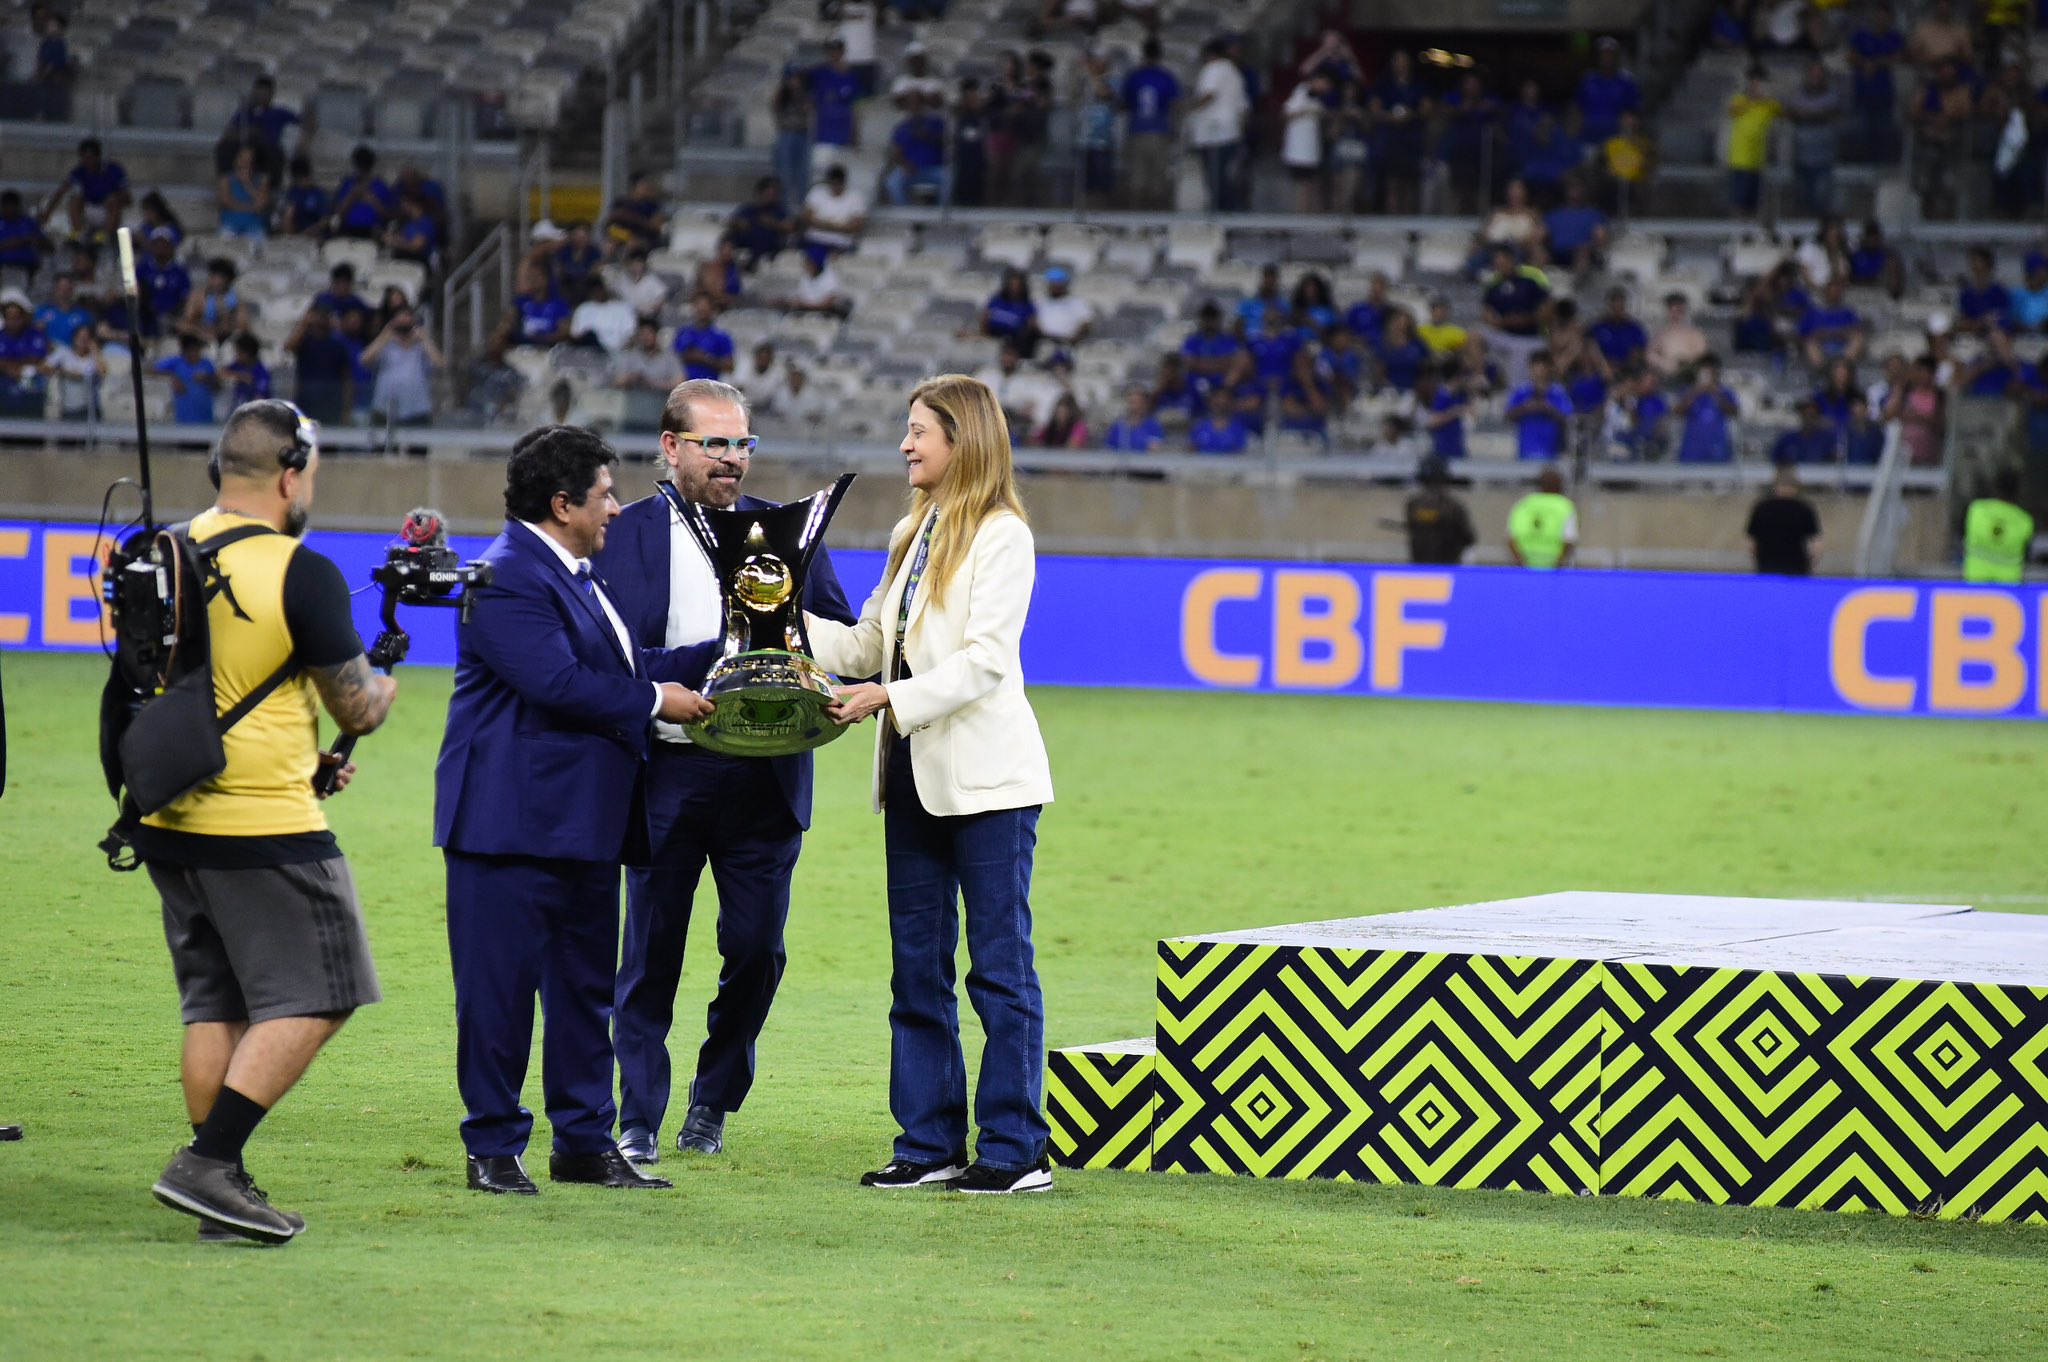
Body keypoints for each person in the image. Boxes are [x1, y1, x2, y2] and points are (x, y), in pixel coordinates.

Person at [435, 425, 716, 1197]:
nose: (617, 510)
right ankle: (492, 1146)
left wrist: (731, 651)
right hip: (509, 828)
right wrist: (662, 700)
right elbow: (558, 684)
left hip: (583, 823)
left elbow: (623, 667)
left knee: (583, 990)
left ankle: (583, 1143)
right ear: (563, 505)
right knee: (498, 993)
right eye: (605, 495)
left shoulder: (572, 572)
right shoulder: (506, 578)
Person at [141, 400, 396, 1244]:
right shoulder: (300, 570)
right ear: (291, 475)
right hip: (263, 826)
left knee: (217, 1004)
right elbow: (354, 697)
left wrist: (308, 756)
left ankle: (220, 1188)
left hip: (169, 813)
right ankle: (210, 1162)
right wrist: (382, 691)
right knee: (325, 991)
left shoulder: (163, 553)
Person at [802, 374, 1054, 1194]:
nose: (906, 445)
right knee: (917, 969)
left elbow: (985, 662)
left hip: (988, 785)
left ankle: (1016, 1153)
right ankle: (928, 1145)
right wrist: (771, 607)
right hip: (911, 773)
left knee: (998, 968)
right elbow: (870, 639)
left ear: (963, 439)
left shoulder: (1003, 535)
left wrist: (890, 697)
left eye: (919, 431)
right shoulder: (914, 530)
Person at [592, 380, 854, 1164]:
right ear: (671, 448)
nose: (732, 459)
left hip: (764, 777)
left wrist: (812, 670)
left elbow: (839, 631)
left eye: (743, 444)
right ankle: (637, 1114)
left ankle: (712, 1102)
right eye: (716, 444)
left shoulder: (784, 531)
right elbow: (605, 656)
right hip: (665, 773)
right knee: (650, 956)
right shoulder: (625, 532)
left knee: (757, 950)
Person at [1189, 38, 1249, 213]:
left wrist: (1190, 109)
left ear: (1210, 55)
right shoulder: (1235, 73)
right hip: (1230, 132)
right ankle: (1231, 213)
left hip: (1213, 132)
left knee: (1215, 179)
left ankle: (1227, 214)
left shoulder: (1213, 69)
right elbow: (1243, 107)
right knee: (1223, 176)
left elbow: (1209, 94)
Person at [1122, 37, 1181, 210]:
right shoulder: (1166, 77)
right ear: (1160, 56)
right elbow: (1175, 105)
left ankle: (1136, 218)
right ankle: (1157, 218)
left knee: (1137, 177)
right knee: (1159, 178)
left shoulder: (1134, 76)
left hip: (1137, 130)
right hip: (1159, 131)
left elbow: (1125, 104)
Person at [361, 308, 441, 429]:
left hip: (417, 407)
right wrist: (383, 337)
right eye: (400, 323)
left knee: (417, 445)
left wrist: (425, 339)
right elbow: (364, 360)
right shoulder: (385, 345)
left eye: (407, 322)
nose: (403, 327)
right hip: (385, 406)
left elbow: (440, 364)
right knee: (381, 445)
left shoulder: (421, 347)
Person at [1746, 463, 1823, 574]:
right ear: (1796, 486)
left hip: (1767, 566)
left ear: (1775, 486)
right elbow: (1816, 544)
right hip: (1797, 568)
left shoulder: (1761, 507)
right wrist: (1812, 562)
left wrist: (1757, 560)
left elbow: (1751, 543)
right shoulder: (1804, 509)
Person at [1724, 68, 1780, 219]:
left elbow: (1783, 111)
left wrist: (1765, 97)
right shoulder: (1740, 99)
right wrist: (1753, 98)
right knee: (1739, 201)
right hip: (1740, 159)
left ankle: (1751, 233)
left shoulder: (1768, 104)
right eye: (1753, 82)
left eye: (1759, 82)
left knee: (1753, 203)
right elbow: (1732, 109)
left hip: (1758, 160)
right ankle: (1736, 231)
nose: (1757, 85)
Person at [1963, 468, 2035, 583]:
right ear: (2018, 491)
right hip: (2008, 588)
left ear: (1995, 487)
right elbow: (2029, 555)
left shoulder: (1976, 510)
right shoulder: (2025, 521)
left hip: (1975, 584)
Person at [1403, 456, 1476, 565]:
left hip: (1425, 568)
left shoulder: (1413, 504)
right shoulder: (1454, 506)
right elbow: (1469, 538)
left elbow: (1469, 538)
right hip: (1443, 569)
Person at [1506, 351, 1572, 462]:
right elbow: (1508, 416)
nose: (1539, 371)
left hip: (1552, 454)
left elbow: (1568, 419)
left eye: (1542, 367)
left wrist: (1548, 408)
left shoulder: (1558, 392)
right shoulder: (1521, 391)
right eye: (1535, 367)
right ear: (1530, 368)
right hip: (1525, 453)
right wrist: (1526, 408)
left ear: (1549, 368)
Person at [1507, 465, 1578, 568]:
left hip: (1526, 565)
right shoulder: (1565, 506)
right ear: (1560, 485)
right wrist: (1559, 563)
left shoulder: (1523, 504)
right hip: (1553, 567)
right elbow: (1569, 539)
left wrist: (1521, 563)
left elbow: (1511, 538)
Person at [1676, 355, 1741, 462]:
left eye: (1710, 372)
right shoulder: (1688, 391)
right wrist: (1695, 392)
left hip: (1717, 446)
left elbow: (1735, 412)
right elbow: (1678, 411)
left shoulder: (1725, 392)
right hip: (1692, 448)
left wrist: (1715, 392)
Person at [155, 333, 222, 425]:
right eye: (191, 350)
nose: (195, 353)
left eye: (197, 349)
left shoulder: (207, 364)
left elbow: (218, 387)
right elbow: (149, 370)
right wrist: (172, 377)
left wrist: (206, 378)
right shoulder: (176, 362)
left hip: (205, 418)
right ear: (184, 351)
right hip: (183, 419)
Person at [330, 145, 394, 240]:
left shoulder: (381, 186)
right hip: (348, 229)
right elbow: (338, 212)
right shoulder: (348, 183)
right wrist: (352, 196)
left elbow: (389, 215)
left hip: (372, 231)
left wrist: (372, 200)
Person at [217, 146, 272, 240]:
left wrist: (247, 184)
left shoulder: (263, 179)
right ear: (236, 161)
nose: (245, 162)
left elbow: (261, 205)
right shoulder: (226, 179)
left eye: (249, 159)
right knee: (224, 241)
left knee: (259, 243)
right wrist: (251, 208)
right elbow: (228, 203)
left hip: (254, 224)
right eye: (242, 158)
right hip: (231, 223)